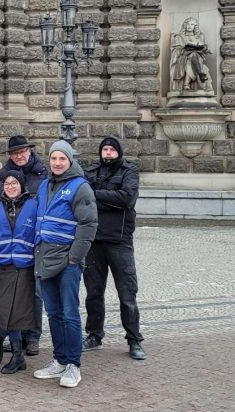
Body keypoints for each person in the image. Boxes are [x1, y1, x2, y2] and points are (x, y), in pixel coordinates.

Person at [32, 140, 97, 389]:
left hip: (67, 261)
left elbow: (88, 225)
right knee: (54, 313)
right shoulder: (45, 185)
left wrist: (74, 258)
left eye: (62, 159)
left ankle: (73, 364)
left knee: (70, 314)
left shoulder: (80, 187)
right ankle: (59, 359)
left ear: (70, 160)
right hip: (45, 258)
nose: (57, 163)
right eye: (53, 158)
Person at [82, 137, 145, 360]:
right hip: (94, 241)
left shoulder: (129, 171)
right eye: (105, 149)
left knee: (127, 293)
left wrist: (96, 195)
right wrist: (111, 200)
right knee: (93, 293)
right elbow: (84, 199)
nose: (107, 153)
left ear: (118, 152)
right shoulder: (90, 171)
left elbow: (127, 198)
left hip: (120, 240)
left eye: (111, 150)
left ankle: (134, 339)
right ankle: (94, 335)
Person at [0, 135, 49, 355]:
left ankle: (32, 336)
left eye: (22, 151)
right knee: (12, 295)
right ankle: (14, 334)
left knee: (34, 293)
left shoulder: (43, 173)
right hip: (9, 240)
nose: (19, 155)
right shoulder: (2, 174)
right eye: (15, 153)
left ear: (29, 151)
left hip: (32, 239)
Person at [0, 170, 37, 375]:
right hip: (0, 266)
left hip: (24, 267)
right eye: (7, 183)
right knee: (3, 311)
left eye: (15, 183)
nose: (10, 186)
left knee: (17, 313)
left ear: (22, 185)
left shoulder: (34, 206)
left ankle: (17, 356)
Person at [170, 17, 213, 92]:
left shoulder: (198, 37)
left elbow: (202, 49)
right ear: (185, 26)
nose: (190, 26)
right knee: (192, 56)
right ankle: (200, 74)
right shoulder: (179, 37)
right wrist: (183, 49)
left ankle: (187, 84)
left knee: (193, 55)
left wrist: (206, 49)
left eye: (192, 24)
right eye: (188, 24)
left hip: (196, 58)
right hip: (182, 58)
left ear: (195, 27)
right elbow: (175, 50)